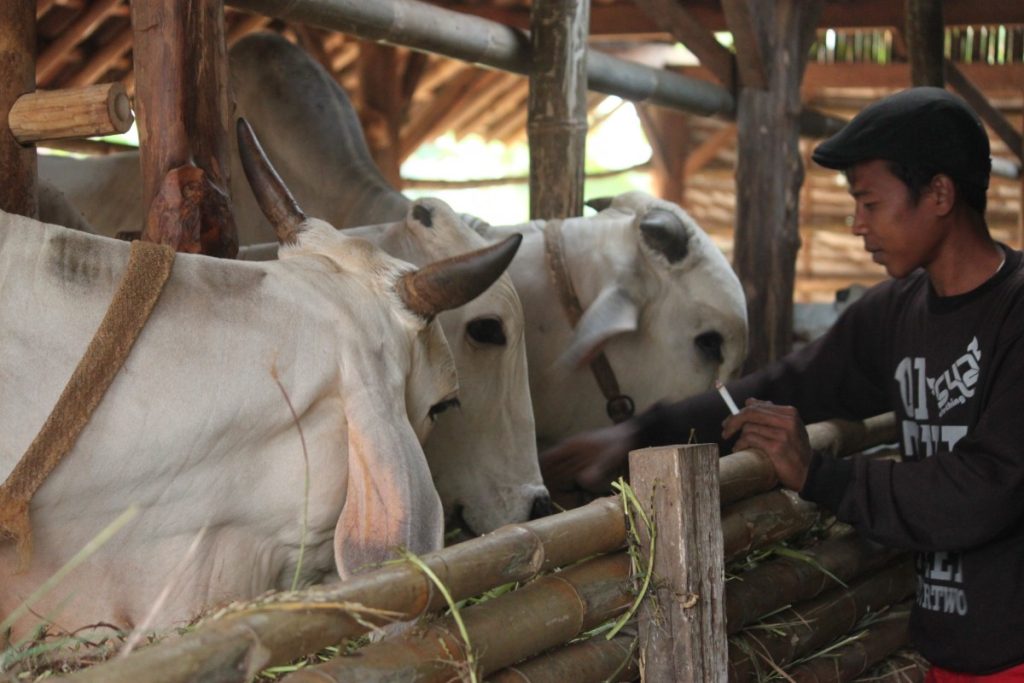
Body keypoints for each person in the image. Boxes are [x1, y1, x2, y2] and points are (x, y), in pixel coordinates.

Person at [540, 87, 1024, 680]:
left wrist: (822, 475)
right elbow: (792, 383)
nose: (856, 225)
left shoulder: (1015, 314)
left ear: (940, 193)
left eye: (869, 203)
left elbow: (987, 487)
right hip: (952, 650)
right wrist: (640, 432)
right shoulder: (895, 313)